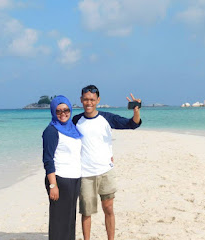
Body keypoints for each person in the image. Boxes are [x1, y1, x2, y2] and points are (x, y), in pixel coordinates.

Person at [72, 85, 142, 240]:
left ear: (98, 100)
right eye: (85, 99)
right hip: (85, 174)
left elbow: (132, 124)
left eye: (92, 99)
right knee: (86, 212)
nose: (88, 102)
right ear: (81, 100)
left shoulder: (107, 118)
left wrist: (136, 111)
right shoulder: (76, 120)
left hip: (105, 171)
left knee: (108, 208)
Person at [42, 95, 83, 240]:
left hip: (75, 178)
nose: (63, 113)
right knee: (59, 221)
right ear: (53, 111)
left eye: (66, 109)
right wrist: (53, 185)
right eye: (58, 111)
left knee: (69, 219)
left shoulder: (73, 129)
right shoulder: (51, 131)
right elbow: (48, 160)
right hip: (59, 179)